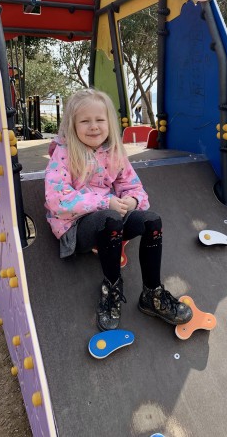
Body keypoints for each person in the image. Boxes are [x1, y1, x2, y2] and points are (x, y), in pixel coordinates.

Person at [44, 88, 192, 331]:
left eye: (100, 120)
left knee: (152, 221)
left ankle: (152, 293)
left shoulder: (113, 151)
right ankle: (111, 289)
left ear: (109, 122)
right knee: (111, 218)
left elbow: (134, 187)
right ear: (73, 125)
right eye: (85, 121)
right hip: (76, 227)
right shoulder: (64, 152)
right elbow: (57, 200)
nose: (94, 126)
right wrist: (105, 202)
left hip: (110, 216)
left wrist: (132, 201)